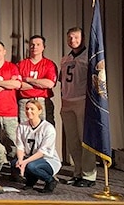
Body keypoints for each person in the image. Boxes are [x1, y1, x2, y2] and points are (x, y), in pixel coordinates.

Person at [59, 27, 96, 187]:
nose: (72, 40)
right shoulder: (65, 59)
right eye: (70, 37)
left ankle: (89, 175)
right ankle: (77, 172)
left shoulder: (88, 57)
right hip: (67, 101)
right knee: (73, 140)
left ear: (82, 38)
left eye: (76, 37)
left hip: (82, 100)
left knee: (84, 139)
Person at [15, 99, 60, 193]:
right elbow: (20, 146)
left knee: (31, 166)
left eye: (32, 109)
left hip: (48, 159)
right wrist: (20, 161)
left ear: (39, 111)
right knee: (14, 164)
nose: (29, 111)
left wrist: (25, 162)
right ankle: (30, 181)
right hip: (30, 157)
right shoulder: (22, 126)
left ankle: (50, 180)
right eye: (27, 109)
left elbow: (43, 152)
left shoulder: (48, 128)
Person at [17, 35, 57, 123]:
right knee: (25, 130)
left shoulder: (49, 64)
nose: (34, 47)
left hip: (42, 101)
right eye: (32, 44)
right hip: (25, 101)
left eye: (38, 44)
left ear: (43, 47)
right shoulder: (21, 64)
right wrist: (40, 84)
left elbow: (50, 84)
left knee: (45, 129)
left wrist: (29, 80)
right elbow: (19, 85)